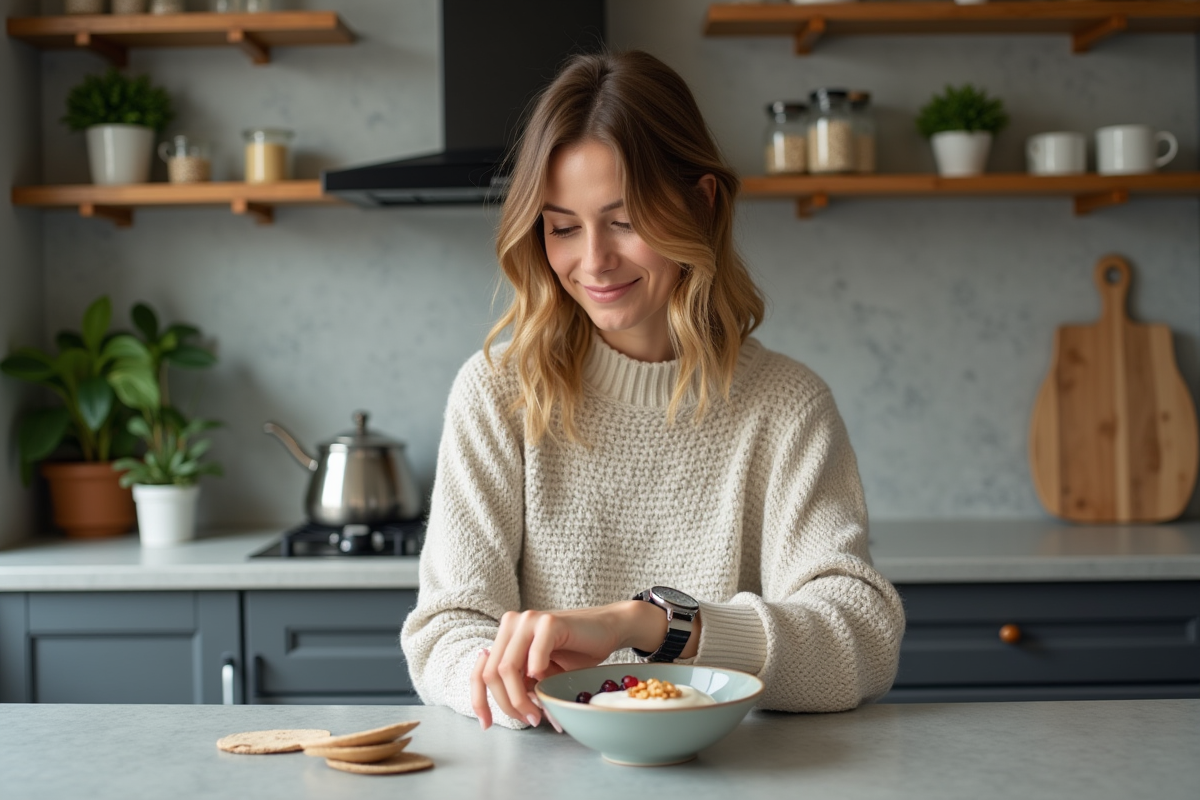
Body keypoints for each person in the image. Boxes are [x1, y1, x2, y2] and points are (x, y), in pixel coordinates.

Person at [400, 50, 905, 731]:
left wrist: (652, 624)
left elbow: (862, 640)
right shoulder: (497, 393)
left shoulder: (787, 406)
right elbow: (446, 629)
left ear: (699, 204)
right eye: (563, 227)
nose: (594, 261)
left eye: (627, 219)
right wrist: (500, 674)